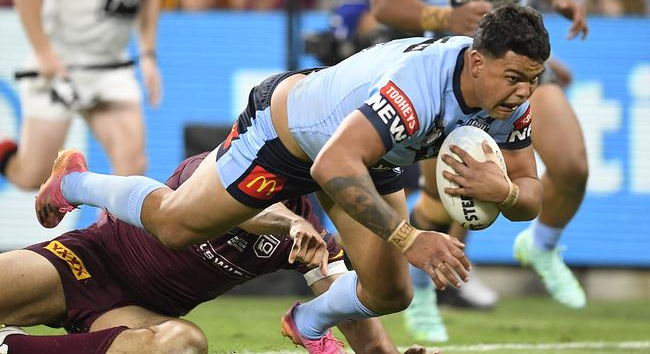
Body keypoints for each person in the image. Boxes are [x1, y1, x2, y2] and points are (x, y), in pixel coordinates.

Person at [36, 5, 549, 353]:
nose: (524, 93)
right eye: (514, 78)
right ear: (477, 63)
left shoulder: (508, 103)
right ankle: (73, 182)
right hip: (287, 137)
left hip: (364, 150)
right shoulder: (416, 90)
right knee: (175, 226)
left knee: (391, 292)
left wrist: (502, 191)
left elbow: (531, 194)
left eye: (533, 80)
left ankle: (305, 324)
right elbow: (330, 167)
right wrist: (410, 237)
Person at [0, 151, 425, 354]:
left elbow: (347, 311)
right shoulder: (215, 168)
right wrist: (290, 223)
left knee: (185, 346)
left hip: (136, 314)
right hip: (84, 263)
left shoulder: (309, 237)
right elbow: (242, 212)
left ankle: (11, 347)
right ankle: (73, 184)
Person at [371, 0, 589, 342]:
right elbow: (383, 4)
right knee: (444, 200)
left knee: (572, 167)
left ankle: (541, 246)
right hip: (450, 68)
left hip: (519, 61)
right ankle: (422, 291)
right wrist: (443, 18)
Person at [0, 0, 162, 190]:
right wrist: (43, 52)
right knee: (33, 177)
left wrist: (148, 54)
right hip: (58, 66)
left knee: (133, 166)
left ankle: (108, 223)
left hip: (111, 68)